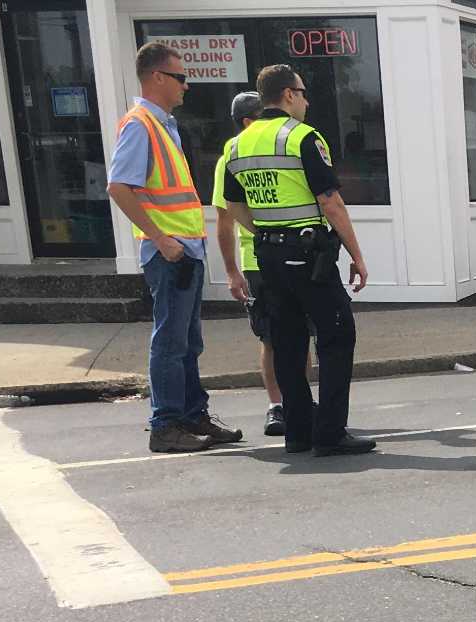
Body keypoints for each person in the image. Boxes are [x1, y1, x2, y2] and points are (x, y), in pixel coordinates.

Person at [222, 63, 373, 458]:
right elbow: (331, 202)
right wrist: (356, 255)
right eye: (303, 93)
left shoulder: (238, 144)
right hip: (309, 256)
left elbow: (233, 204)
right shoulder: (302, 137)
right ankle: (330, 434)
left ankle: (299, 432)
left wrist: (265, 234)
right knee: (336, 337)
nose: (306, 100)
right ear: (288, 94)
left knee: (287, 344)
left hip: (268, 258)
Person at [106, 41, 244, 455]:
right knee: (170, 341)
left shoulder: (164, 125)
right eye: (181, 78)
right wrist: (161, 238)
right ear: (157, 78)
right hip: (170, 252)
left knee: (187, 341)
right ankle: (165, 425)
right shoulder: (140, 124)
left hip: (184, 251)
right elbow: (118, 187)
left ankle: (191, 415)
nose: (187, 86)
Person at [213, 90, 289, 437]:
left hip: (290, 255)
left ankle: (299, 400)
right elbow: (224, 220)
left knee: (299, 333)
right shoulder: (232, 154)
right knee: (272, 338)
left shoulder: (283, 147)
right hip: (257, 261)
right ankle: (277, 406)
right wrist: (232, 271)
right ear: (247, 122)